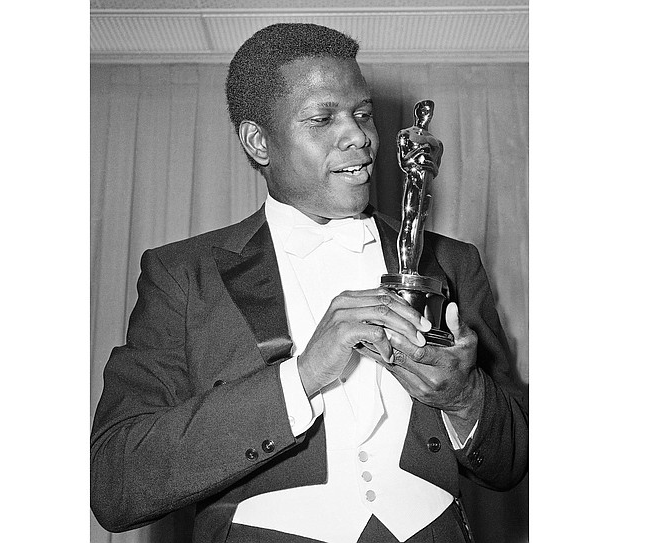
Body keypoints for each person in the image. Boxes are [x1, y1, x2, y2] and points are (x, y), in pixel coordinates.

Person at [91, 23, 528, 543]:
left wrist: (465, 398)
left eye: (362, 114)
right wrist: (299, 379)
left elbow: (512, 460)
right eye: (323, 118)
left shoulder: (452, 263)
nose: (360, 136)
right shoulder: (183, 275)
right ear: (259, 142)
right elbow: (115, 483)